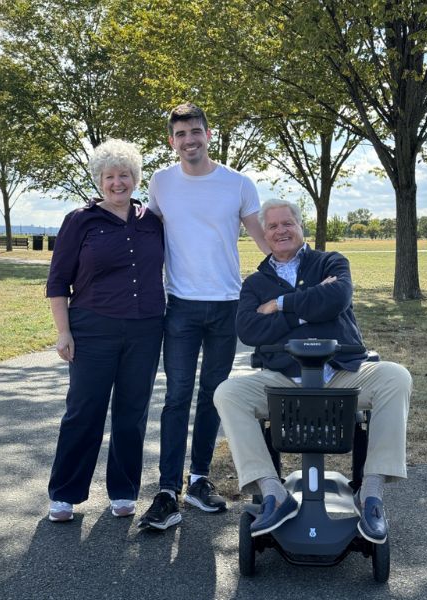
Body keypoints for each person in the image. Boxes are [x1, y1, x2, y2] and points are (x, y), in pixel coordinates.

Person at [213, 199, 412, 542]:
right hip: (282, 379)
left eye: (287, 223)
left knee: (396, 376)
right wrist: (311, 305)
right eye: (272, 226)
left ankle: (372, 493)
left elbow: (337, 298)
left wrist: (280, 306)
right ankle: (273, 493)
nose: (280, 231)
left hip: (341, 374)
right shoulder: (255, 282)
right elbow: (249, 330)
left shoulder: (330, 261)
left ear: (300, 226)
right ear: (265, 233)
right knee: (227, 393)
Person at [137, 103, 270, 531]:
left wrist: (301, 278)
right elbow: (143, 237)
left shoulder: (237, 184)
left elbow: (264, 239)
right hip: (179, 306)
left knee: (214, 395)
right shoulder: (161, 182)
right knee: (177, 397)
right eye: (180, 134)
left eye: (195, 131)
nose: (188, 140)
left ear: (208, 135)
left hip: (226, 306)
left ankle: (199, 481)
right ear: (171, 141)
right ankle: (166, 491)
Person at [45, 139, 165, 522]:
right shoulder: (80, 220)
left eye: (124, 175)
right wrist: (64, 333)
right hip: (93, 328)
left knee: (132, 411)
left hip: (146, 328)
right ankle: (65, 494)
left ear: (135, 179)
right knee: (84, 410)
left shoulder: (152, 221)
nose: (118, 183)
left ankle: (124, 491)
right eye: (110, 176)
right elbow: (58, 281)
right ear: (99, 180)